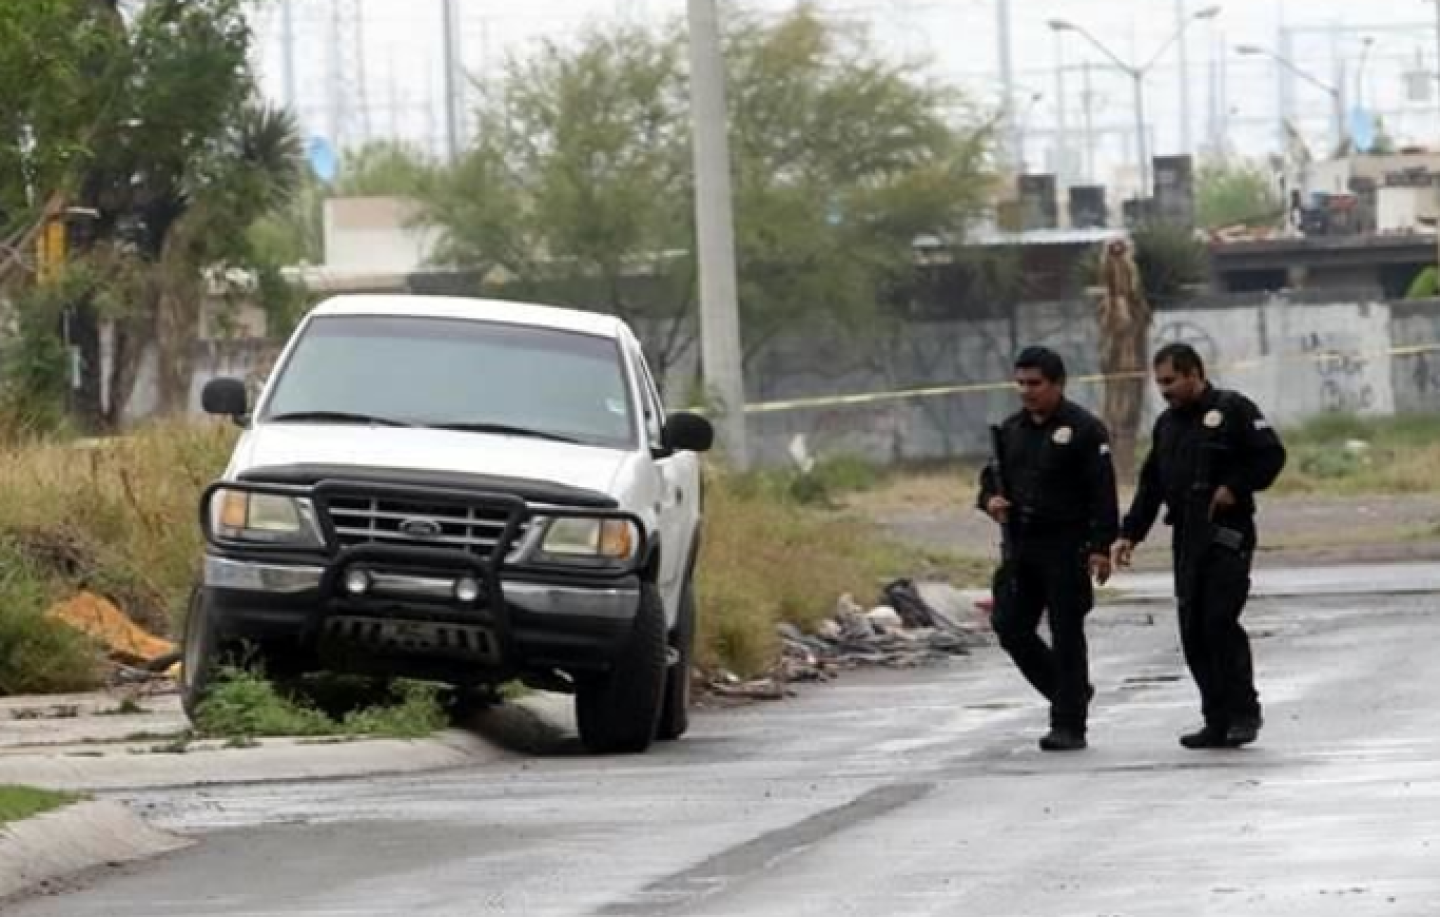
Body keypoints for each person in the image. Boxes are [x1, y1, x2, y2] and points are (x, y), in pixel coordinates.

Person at [1112, 343, 1287, 749]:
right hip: (1187, 538)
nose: (1165, 390)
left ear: (1194, 373)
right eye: (1159, 383)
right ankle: (1216, 718)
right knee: (1193, 631)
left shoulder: (1233, 410)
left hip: (1228, 533)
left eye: (1171, 381)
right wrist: (1130, 534)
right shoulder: (1167, 426)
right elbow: (1151, 484)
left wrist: (1234, 486)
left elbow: (1271, 456)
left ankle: (1244, 713)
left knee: (1219, 622)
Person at [978, 346, 1118, 752]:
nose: (1026, 391)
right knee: (1009, 625)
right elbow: (988, 483)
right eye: (1020, 383)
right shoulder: (1011, 431)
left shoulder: (1084, 430)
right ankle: (1068, 690)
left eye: (1035, 384)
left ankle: (1069, 723)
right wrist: (991, 502)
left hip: (1066, 546)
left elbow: (1102, 493)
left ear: (1057, 384)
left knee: (1067, 633)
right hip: (1021, 547)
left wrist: (1100, 546)